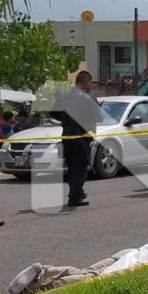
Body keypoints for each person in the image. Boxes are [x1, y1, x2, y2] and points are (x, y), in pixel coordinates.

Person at [51, 70, 102, 207]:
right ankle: (75, 196)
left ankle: (77, 192)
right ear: (85, 82)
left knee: (72, 167)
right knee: (80, 167)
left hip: (67, 137)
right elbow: (98, 116)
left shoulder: (64, 97)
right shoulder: (88, 97)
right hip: (82, 136)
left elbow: (54, 114)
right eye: (90, 82)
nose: (91, 85)